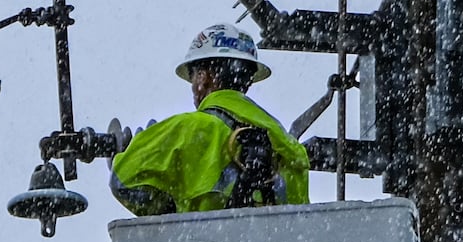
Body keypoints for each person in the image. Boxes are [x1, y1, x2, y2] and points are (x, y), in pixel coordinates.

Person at [109, 22, 311, 215]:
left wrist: (131, 153)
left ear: (202, 78)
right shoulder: (290, 149)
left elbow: (122, 182)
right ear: (247, 81)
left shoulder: (187, 129)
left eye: (193, 77)